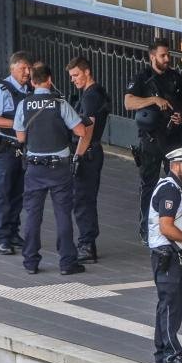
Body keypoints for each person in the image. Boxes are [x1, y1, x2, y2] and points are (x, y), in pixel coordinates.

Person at [14, 63, 91, 276]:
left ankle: (30, 261)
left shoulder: (25, 104)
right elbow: (81, 131)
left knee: (32, 215)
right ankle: (67, 263)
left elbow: (21, 137)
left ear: (32, 81)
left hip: (35, 168)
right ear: (49, 80)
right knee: (63, 215)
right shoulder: (60, 104)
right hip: (59, 168)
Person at [124, 38, 182, 244]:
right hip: (151, 140)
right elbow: (128, 102)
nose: (167, 59)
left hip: (174, 139)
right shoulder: (142, 78)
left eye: (168, 55)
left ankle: (179, 226)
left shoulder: (176, 78)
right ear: (152, 56)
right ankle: (147, 228)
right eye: (163, 55)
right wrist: (154, 100)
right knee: (149, 184)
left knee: (179, 183)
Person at [147, 146, 182, 363]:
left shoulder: (174, 187)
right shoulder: (170, 190)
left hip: (169, 254)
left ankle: (162, 353)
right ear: (174, 165)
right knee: (170, 306)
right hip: (167, 255)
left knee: (167, 305)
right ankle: (171, 354)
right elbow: (166, 227)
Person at [0, 52, 32, 255]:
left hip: (25, 150)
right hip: (7, 147)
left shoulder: (32, 90)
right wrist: (16, 124)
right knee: (3, 192)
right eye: (23, 69)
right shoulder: (1, 90)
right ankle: (2, 237)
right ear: (12, 69)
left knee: (18, 192)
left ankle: (13, 232)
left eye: (29, 69)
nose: (27, 73)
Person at [67, 56, 110, 264]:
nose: (73, 80)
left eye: (76, 75)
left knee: (83, 199)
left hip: (88, 153)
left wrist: (78, 156)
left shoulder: (91, 97)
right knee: (85, 198)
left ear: (87, 72)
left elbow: (88, 130)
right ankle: (87, 241)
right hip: (92, 152)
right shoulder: (93, 93)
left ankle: (86, 244)